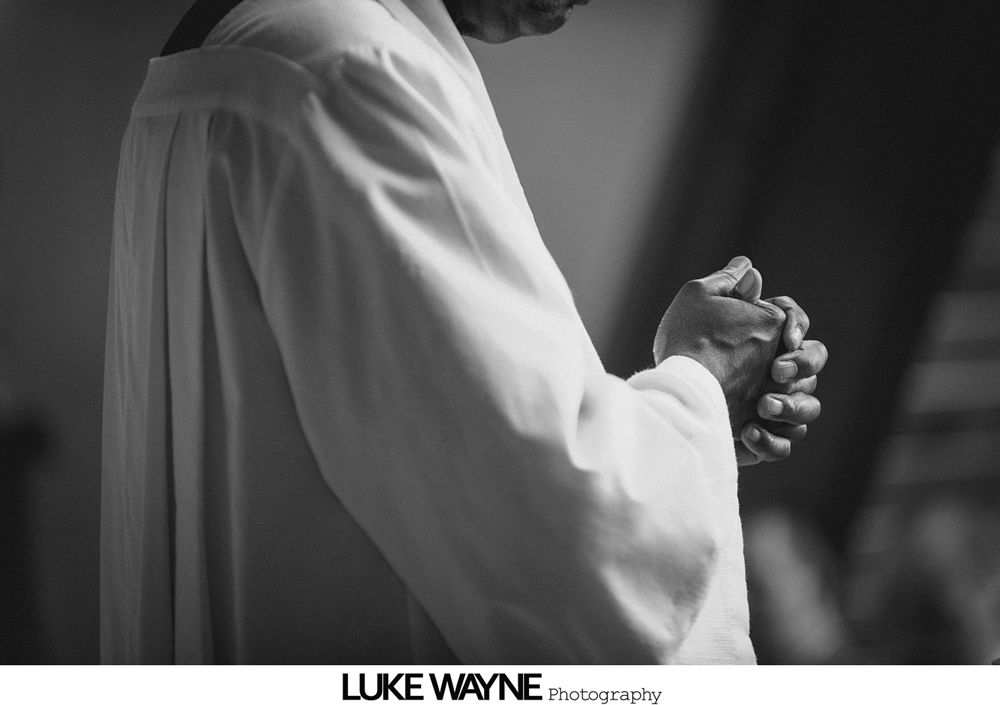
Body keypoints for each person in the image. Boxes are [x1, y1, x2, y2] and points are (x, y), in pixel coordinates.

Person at [101, 0, 827, 664]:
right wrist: (697, 380)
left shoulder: (248, 47)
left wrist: (690, 437)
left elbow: (409, 454)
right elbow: (572, 554)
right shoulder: (349, 72)